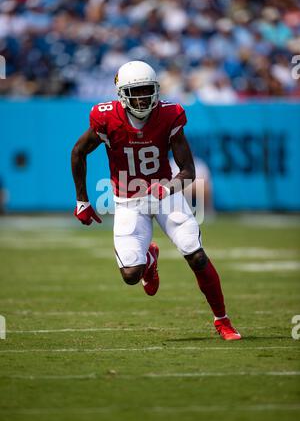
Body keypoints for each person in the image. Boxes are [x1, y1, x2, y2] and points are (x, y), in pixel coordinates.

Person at [71, 60, 241, 341]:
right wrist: (82, 201)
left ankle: (223, 321)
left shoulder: (170, 115)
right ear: (122, 94)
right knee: (130, 275)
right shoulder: (106, 118)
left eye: (147, 90)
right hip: (128, 199)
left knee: (195, 253)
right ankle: (148, 259)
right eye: (135, 91)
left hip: (165, 195)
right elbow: (78, 152)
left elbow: (188, 171)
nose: (142, 98)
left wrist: (167, 188)